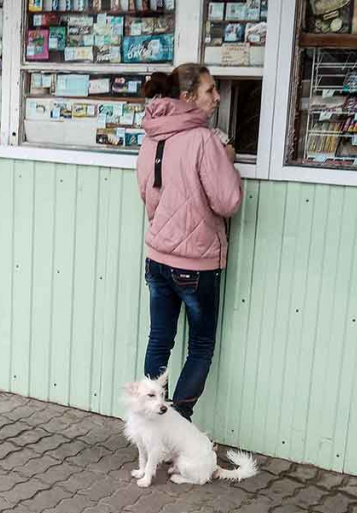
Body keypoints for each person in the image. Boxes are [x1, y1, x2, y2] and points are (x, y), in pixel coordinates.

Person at [136, 63, 243, 421]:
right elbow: (228, 201)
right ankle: (178, 425)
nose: (217, 97)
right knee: (200, 346)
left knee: (158, 341)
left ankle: (151, 420)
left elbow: (146, 193)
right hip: (195, 264)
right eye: (210, 90)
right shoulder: (203, 140)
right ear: (187, 97)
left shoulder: (152, 135)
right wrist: (227, 161)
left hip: (157, 257)